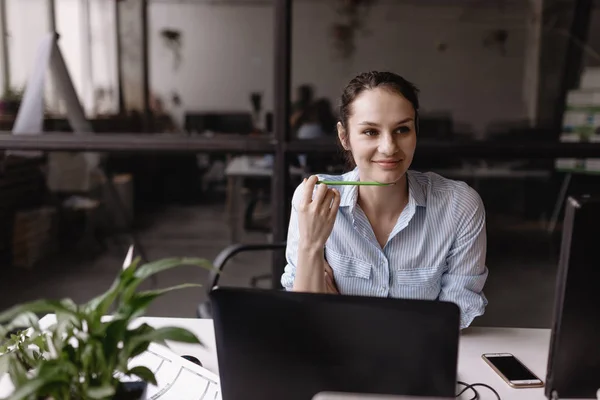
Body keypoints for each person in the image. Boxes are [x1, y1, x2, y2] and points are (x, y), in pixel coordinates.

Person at [281, 71, 488, 329]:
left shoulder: (460, 205)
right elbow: (306, 320)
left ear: (416, 131)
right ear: (344, 137)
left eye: (402, 129)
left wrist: (346, 316)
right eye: (370, 132)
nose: (389, 147)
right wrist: (311, 246)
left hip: (419, 360)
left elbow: (454, 316)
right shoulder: (313, 199)